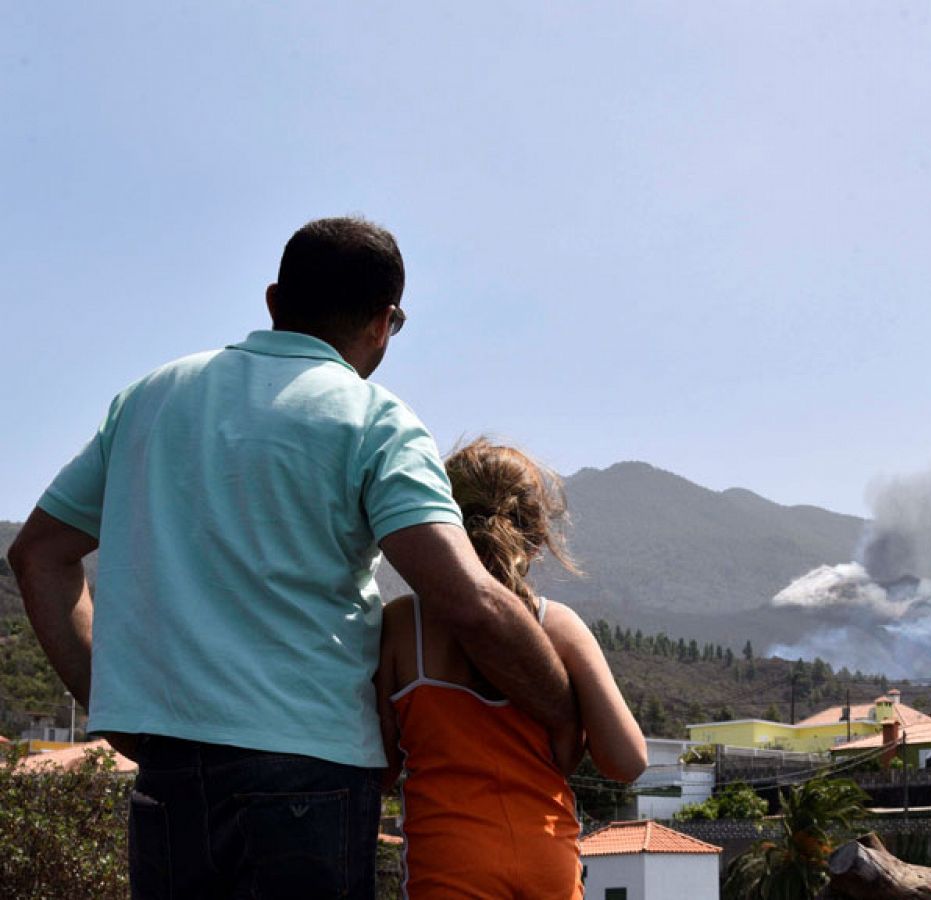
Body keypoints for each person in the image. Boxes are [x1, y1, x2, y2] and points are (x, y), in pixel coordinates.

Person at [7, 217, 577, 898]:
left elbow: (38, 555)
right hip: (309, 774)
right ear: (385, 321)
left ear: (275, 302)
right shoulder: (375, 420)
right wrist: (564, 712)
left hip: (168, 776)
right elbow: (470, 602)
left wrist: (112, 701)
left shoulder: (150, 398)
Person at [378, 439, 647, 898]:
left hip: (449, 863)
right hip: (549, 864)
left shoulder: (404, 626)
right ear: (539, 536)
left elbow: (379, 769)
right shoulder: (561, 628)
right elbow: (627, 761)